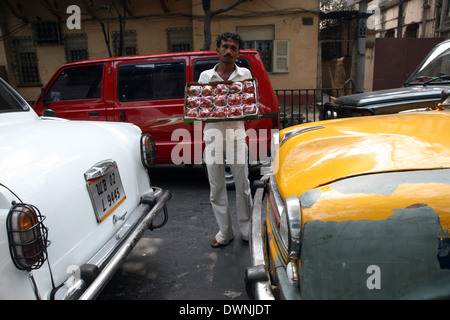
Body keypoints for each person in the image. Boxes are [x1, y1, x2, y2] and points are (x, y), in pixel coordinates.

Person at [198, 32, 253, 248]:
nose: (229, 51)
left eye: (234, 48)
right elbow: (199, 107)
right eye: (225, 46)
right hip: (212, 135)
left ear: (238, 52)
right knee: (217, 186)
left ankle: (247, 231)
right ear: (217, 49)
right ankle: (225, 232)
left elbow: (250, 104)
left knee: (243, 184)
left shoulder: (245, 74)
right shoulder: (205, 77)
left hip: (237, 135)